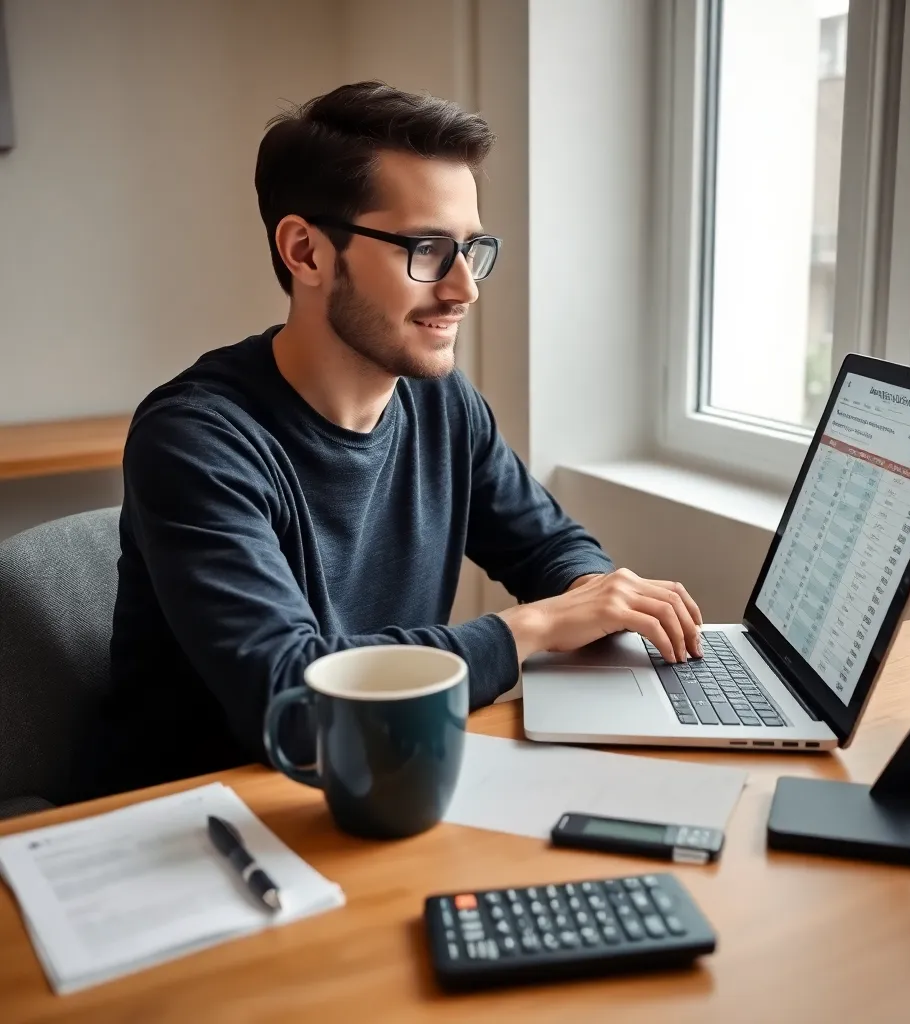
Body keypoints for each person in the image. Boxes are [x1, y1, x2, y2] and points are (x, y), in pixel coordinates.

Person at [105, 81, 703, 795]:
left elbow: (548, 546)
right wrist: (536, 628)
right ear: (307, 253)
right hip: (207, 822)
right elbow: (294, 705)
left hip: (381, 780)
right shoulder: (196, 441)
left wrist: (594, 595)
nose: (463, 290)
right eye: (426, 249)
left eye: (471, 251)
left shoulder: (439, 400)